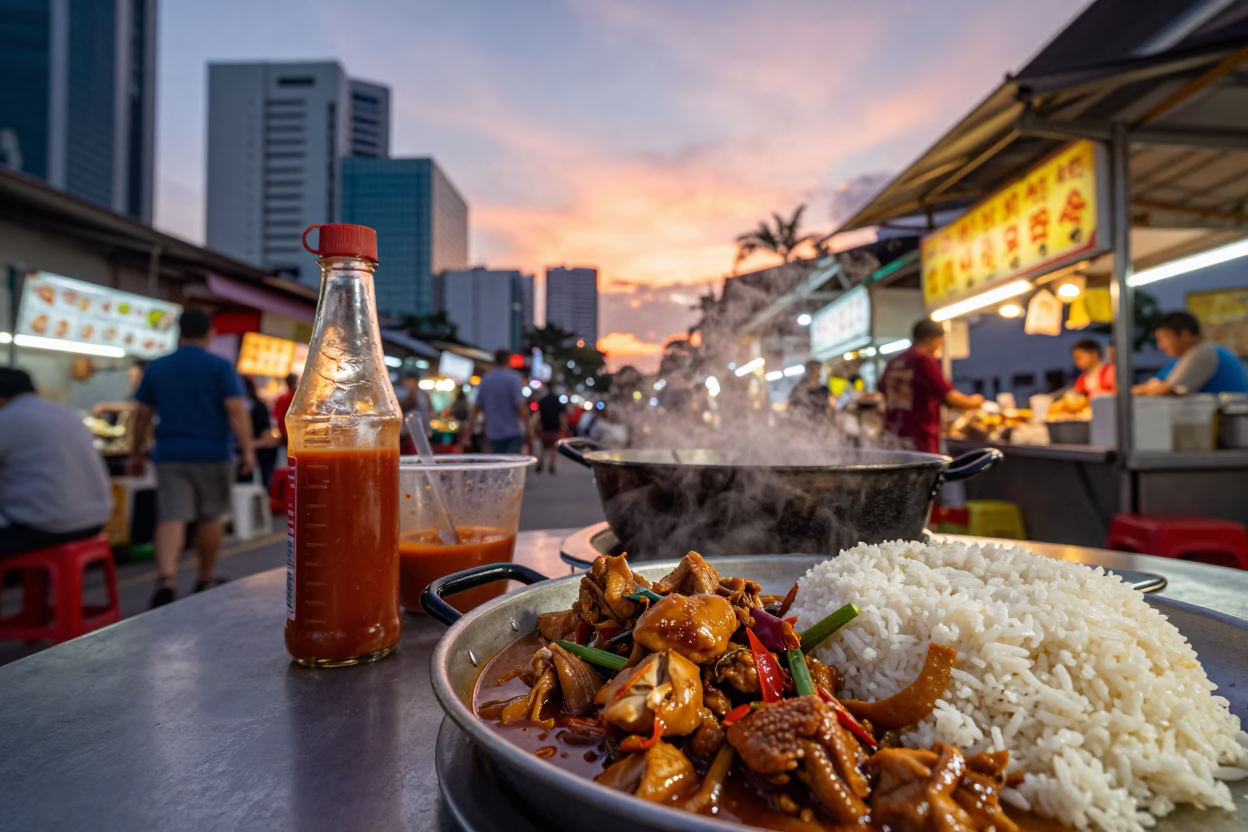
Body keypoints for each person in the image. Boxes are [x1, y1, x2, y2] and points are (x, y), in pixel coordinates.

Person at [128, 308, 256, 608]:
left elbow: (142, 414)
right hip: (213, 452)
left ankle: (166, 579)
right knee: (210, 516)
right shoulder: (220, 366)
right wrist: (248, 448)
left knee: (172, 516)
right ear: (210, 332)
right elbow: (236, 410)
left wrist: (136, 450)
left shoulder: (158, 367)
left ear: (180, 332)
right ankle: (205, 577)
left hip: (170, 454)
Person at [0, 369, 113, 557]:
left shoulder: (7, 419)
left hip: (46, 528)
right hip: (94, 522)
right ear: (36, 390)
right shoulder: (68, 414)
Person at [881, 319, 984, 453]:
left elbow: (881, 392)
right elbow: (950, 398)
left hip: (893, 435)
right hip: (919, 438)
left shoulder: (894, 362)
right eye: (940, 341)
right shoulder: (923, 360)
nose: (941, 346)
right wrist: (976, 402)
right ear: (931, 339)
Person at [1133, 311, 1248, 396]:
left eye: (1164, 338)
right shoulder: (1181, 360)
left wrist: (1129, 393)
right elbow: (1155, 384)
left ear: (1185, 334)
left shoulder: (1204, 352)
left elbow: (1167, 390)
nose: (1160, 345)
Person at [463, 350, 532, 454]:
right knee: (511, 463)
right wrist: (530, 432)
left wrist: (467, 433)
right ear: (508, 361)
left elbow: (475, 408)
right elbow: (521, 408)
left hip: (492, 434)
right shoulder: (514, 379)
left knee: (494, 462)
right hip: (512, 434)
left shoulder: (486, 380)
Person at [239, 376, 280, 489]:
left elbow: (267, 439)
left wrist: (247, 446)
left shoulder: (257, 407)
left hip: (261, 455)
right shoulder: (253, 406)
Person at [535, 387, 568, 473]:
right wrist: (564, 426)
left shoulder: (542, 401)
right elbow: (562, 415)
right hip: (555, 427)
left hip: (545, 427)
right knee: (554, 447)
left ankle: (540, 461)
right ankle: (551, 465)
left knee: (543, 446)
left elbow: (538, 414)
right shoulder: (558, 401)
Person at [273, 372, 298, 444]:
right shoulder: (299, 398)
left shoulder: (281, 399)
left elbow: (277, 416)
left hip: (285, 432)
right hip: (294, 431)